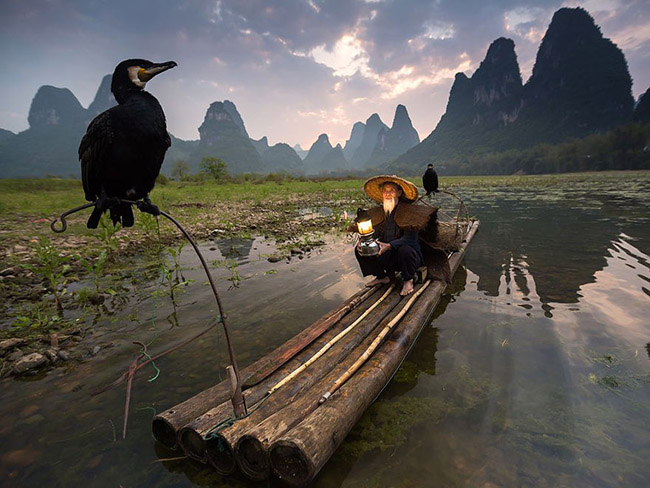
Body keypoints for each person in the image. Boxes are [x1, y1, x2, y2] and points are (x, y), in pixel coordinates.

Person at [354, 175, 437, 296]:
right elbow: (373, 233)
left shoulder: (409, 212)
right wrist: (363, 241)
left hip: (407, 257)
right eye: (385, 191)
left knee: (405, 250)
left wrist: (389, 245)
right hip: (386, 254)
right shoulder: (379, 213)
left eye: (391, 191)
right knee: (361, 250)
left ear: (399, 193)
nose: (388, 194)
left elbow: (411, 239)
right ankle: (382, 276)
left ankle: (408, 280)